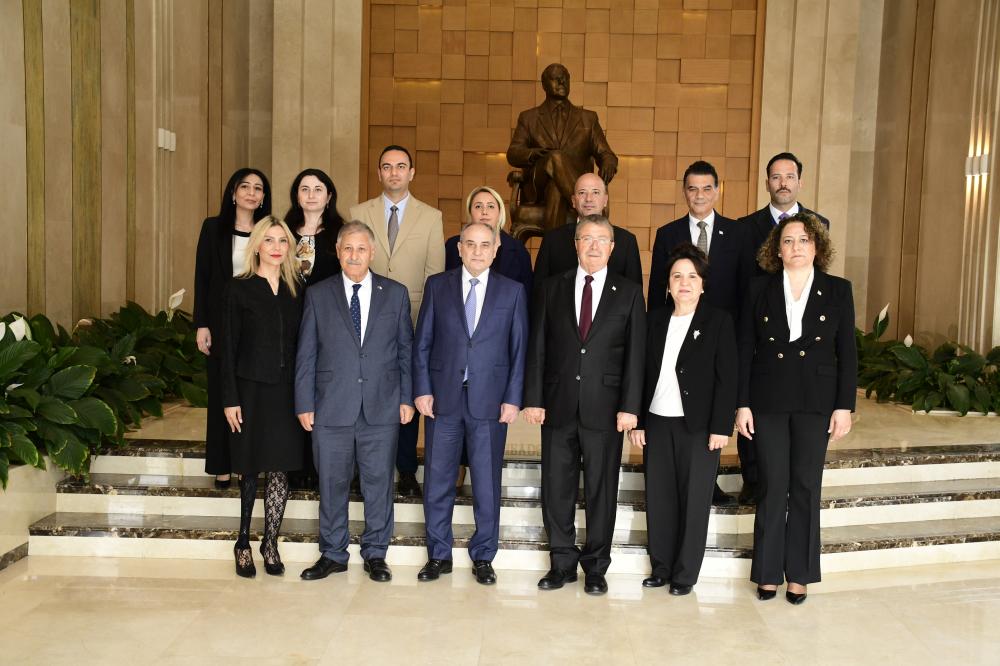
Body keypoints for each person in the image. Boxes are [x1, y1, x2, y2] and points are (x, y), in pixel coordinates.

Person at [735, 212, 856, 605]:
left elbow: (847, 352)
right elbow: (744, 349)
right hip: (767, 398)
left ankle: (799, 575)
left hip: (815, 401)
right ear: (777, 250)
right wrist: (742, 404)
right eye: (788, 241)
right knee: (772, 485)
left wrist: (844, 406)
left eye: (804, 240)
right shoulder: (758, 288)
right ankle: (767, 572)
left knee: (805, 486)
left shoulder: (838, 290)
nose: (796, 247)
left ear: (816, 247)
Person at [523, 214, 645, 596]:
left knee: (601, 490)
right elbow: (538, 345)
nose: (593, 246)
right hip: (557, 404)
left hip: (606, 409)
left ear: (612, 247)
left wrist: (630, 406)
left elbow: (636, 355)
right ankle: (561, 562)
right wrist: (534, 398)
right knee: (556, 487)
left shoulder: (628, 292)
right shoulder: (552, 287)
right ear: (575, 244)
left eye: (601, 239)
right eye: (586, 238)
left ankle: (595, 566)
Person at [296, 221, 415, 583]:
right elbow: (306, 353)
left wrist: (407, 397)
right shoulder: (318, 294)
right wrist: (304, 402)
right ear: (337, 251)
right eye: (347, 248)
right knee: (332, 483)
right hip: (331, 406)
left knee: (379, 484)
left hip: (382, 405)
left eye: (361, 248)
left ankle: (376, 553)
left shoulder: (395, 294)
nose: (354, 255)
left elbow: (406, 351)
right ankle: (333, 553)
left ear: (372, 252)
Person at [413, 221, 529, 585]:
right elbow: (422, 343)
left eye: (484, 245)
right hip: (443, 399)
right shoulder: (438, 286)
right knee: (438, 479)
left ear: (496, 250)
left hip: (490, 403)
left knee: (486, 482)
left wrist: (513, 398)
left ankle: (483, 556)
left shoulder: (512, 291)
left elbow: (519, 350)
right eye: (470, 244)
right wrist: (422, 389)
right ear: (459, 248)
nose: (477, 251)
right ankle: (438, 554)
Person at [629, 243, 737, 596]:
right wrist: (639, 420)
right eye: (677, 276)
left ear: (703, 284)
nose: (684, 283)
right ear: (668, 284)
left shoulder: (718, 321)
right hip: (658, 421)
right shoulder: (655, 319)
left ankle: (685, 574)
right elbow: (641, 372)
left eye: (692, 276)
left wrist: (721, 426)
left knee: (694, 501)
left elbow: (727, 378)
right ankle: (660, 567)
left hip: (700, 427)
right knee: (659, 497)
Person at [648, 160, 752, 505]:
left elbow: (745, 291)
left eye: (707, 188)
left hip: (720, 337)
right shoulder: (668, 233)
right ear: (684, 192)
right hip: (678, 331)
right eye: (693, 188)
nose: (700, 195)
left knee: (712, 406)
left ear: (718, 191)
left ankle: (710, 481)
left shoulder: (738, 234)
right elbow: (657, 292)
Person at [736, 152, 830, 504]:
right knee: (756, 416)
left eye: (789, 176)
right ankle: (753, 478)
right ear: (767, 183)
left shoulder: (819, 223)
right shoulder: (746, 227)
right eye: (776, 177)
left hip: (802, 343)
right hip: (762, 334)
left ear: (800, 181)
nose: (783, 183)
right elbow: (740, 280)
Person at [351, 145, 444, 498]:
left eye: (401, 166)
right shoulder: (358, 212)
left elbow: (434, 276)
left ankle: (406, 468)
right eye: (387, 166)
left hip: (413, 319)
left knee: (408, 390)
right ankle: (362, 467)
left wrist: (428, 327)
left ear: (411, 172)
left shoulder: (431, 217)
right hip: (366, 318)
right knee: (366, 390)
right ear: (378, 173)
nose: (394, 172)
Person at [220, 216, 304, 578]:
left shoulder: (296, 290)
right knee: (251, 466)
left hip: (287, 392)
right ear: (256, 245)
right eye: (268, 240)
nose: (276, 247)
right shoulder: (238, 289)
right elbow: (227, 348)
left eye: (282, 241)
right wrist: (230, 398)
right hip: (250, 389)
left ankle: (270, 542)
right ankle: (242, 542)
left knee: (280, 466)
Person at [194, 168, 272, 489]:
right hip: (220, 323)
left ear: (263, 197)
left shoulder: (268, 231)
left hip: (256, 327)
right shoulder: (213, 228)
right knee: (221, 395)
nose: (252, 193)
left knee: (249, 396)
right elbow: (202, 277)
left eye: (258, 188)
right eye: (245, 187)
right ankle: (221, 465)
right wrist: (202, 323)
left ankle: (245, 464)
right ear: (233, 192)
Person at [507, 63, 618, 235]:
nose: (562, 82)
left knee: (556, 188)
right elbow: (513, 153)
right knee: (555, 157)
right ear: (544, 85)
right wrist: (533, 153)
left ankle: (552, 249)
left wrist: (609, 163)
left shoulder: (588, 118)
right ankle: (586, 211)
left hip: (561, 187)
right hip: (538, 187)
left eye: (565, 78)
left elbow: (606, 153)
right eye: (556, 78)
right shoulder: (529, 118)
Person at [532, 172, 642, 290]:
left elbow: (635, 293)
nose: (589, 199)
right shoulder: (553, 239)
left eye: (595, 192)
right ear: (573, 201)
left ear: (605, 200)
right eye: (582, 192)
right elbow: (539, 289)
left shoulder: (626, 241)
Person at [444, 186, 533, 293]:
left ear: (500, 212)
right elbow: (444, 288)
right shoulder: (452, 246)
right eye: (478, 206)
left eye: (491, 206)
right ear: (470, 212)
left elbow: (526, 294)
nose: (484, 211)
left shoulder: (518, 250)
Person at [286, 168, 345, 287]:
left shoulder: (342, 233)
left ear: (328, 197)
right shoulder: (284, 230)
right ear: (297, 196)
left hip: (327, 298)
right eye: (305, 189)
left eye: (318, 190)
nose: (311, 195)